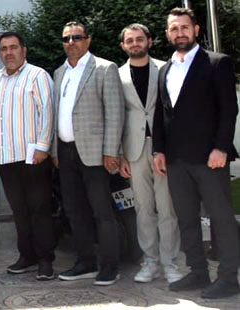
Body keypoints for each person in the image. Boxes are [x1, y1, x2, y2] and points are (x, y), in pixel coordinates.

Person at [154, 7, 239, 299]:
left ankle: (229, 278)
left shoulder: (217, 63)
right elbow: (161, 114)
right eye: (174, 28)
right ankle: (198, 272)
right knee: (187, 219)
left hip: (210, 158)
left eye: (184, 28)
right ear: (168, 33)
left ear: (196, 29)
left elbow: (229, 109)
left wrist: (221, 147)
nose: (180, 33)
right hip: (176, 161)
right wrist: (158, 150)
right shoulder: (164, 69)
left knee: (221, 219)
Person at [50, 21, 124, 286]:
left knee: (102, 212)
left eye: (77, 37)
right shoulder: (59, 72)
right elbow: (57, 114)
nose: (71, 42)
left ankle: (110, 266)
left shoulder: (104, 68)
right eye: (67, 38)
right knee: (74, 210)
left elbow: (115, 113)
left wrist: (110, 151)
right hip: (66, 153)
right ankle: (86, 262)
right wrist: (56, 150)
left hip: (95, 154)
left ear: (88, 40)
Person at [115, 23, 183, 284]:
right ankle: (150, 261)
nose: (135, 44)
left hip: (162, 148)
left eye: (139, 39)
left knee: (167, 207)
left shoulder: (166, 70)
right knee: (143, 208)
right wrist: (120, 154)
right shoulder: (117, 74)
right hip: (133, 148)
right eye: (129, 40)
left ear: (149, 41)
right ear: (123, 45)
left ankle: (170, 263)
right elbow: (117, 115)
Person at [0, 32, 58, 281]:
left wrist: (43, 147)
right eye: (4, 48)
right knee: (19, 211)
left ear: (24, 50)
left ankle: (45, 260)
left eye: (13, 47)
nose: (9, 52)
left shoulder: (38, 76)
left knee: (39, 209)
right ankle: (26, 256)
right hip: (6, 157)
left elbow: (47, 113)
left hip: (33, 157)